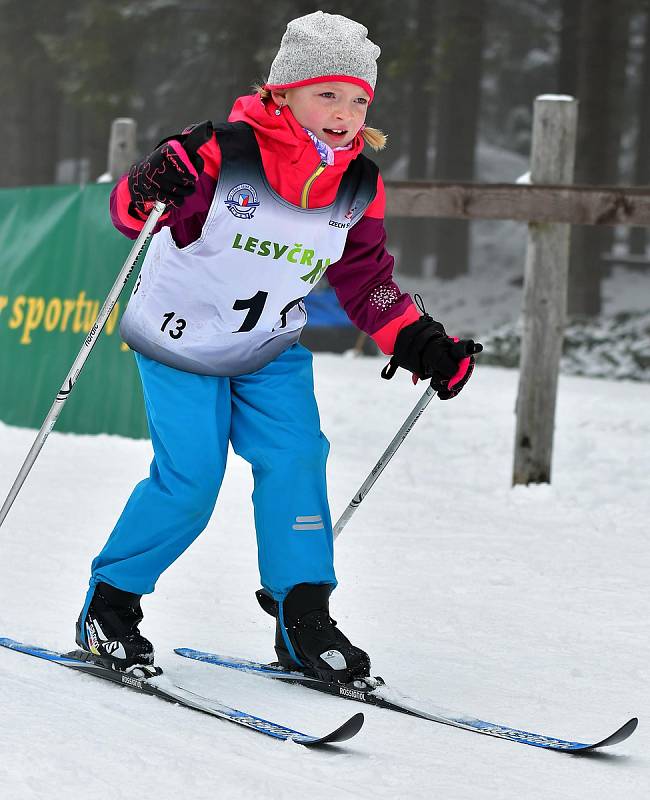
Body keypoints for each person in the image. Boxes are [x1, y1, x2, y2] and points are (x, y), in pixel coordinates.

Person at [76, 11, 481, 683]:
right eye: (327, 93)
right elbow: (129, 215)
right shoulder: (220, 153)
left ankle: (303, 618)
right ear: (282, 91)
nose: (344, 112)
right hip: (182, 340)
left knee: (297, 457)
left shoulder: (357, 183)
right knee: (191, 480)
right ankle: (110, 606)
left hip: (269, 345)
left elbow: (364, 279)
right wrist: (149, 182)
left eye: (358, 99)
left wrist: (418, 341)